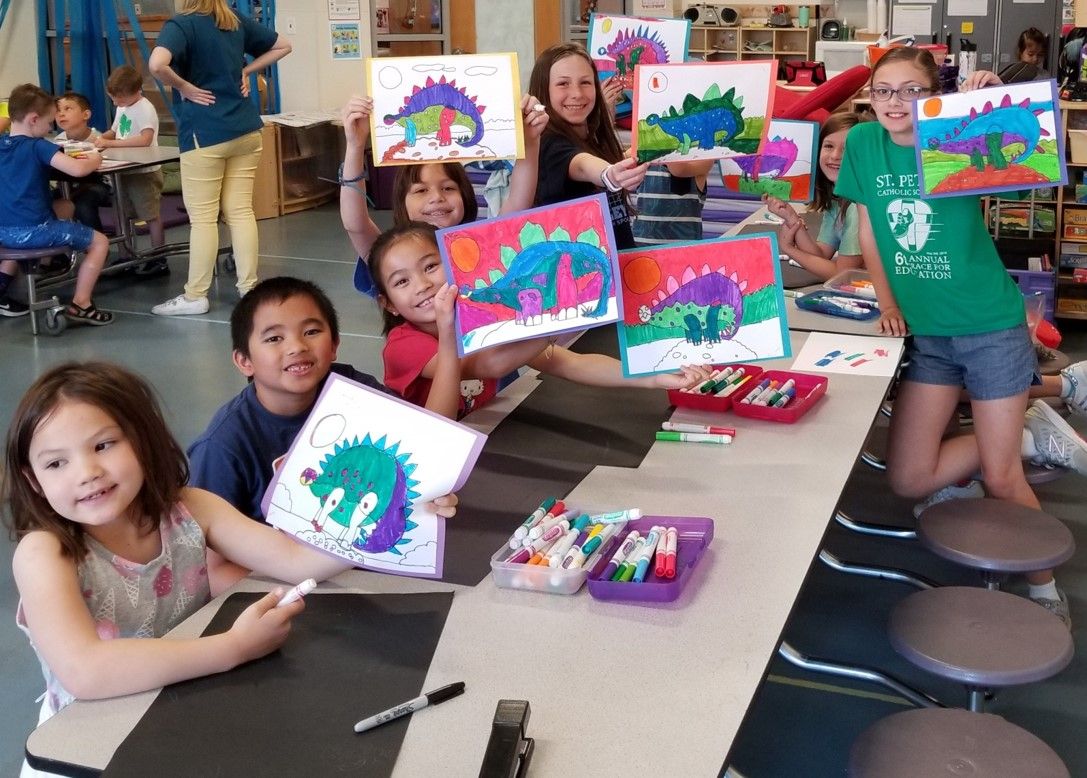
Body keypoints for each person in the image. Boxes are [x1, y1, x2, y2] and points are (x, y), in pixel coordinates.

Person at [2, 361, 457, 746]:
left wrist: (398, 514)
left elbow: (296, 560)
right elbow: (86, 672)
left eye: (103, 445)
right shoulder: (44, 552)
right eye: (56, 463)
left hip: (182, 704)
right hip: (87, 739)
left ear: (143, 440)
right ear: (33, 479)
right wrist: (233, 647)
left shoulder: (189, 508)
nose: (87, 472)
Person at [834, 47, 1087, 626]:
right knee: (908, 478)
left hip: (989, 326)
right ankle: (1029, 427)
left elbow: (1033, 164)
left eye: (911, 92)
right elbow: (870, 229)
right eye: (883, 90)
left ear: (933, 97)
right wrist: (890, 301)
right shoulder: (864, 146)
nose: (896, 103)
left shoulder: (949, 138)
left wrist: (991, 101)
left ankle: (1044, 586)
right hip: (928, 336)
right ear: (870, 96)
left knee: (1002, 477)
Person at [188, 275, 460, 522]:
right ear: (244, 361)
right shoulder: (222, 447)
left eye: (311, 332)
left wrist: (432, 495)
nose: (297, 346)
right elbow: (211, 562)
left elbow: (429, 438)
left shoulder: (354, 391)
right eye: (274, 338)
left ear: (334, 346)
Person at [370, 223, 712, 418]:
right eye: (402, 281)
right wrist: (561, 321)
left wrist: (651, 379)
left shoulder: (481, 317)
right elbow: (487, 364)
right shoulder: (403, 346)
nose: (423, 285)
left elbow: (567, 363)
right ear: (390, 304)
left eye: (431, 266)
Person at [147, 0, 292, 316]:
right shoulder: (233, 20)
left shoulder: (182, 24)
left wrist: (184, 87)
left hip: (206, 133)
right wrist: (246, 70)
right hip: (245, 129)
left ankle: (195, 295)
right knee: (240, 212)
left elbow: (157, 65)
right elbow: (283, 45)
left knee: (203, 219)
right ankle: (248, 287)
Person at [340, 93, 550, 297]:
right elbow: (356, 225)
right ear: (401, 203)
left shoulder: (484, 246)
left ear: (465, 196)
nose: (437, 197)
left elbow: (518, 203)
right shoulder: (390, 256)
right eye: (421, 190)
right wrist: (355, 145)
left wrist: (530, 142)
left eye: (448, 188)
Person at [0, 84, 112, 324]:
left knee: (65, 206)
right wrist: (95, 158)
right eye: (49, 121)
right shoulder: (38, 146)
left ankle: (5, 282)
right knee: (100, 242)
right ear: (33, 120)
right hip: (33, 231)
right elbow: (78, 169)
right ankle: (82, 303)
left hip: (4, 231)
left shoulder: (1, 144)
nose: (50, 127)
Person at [528, 43, 649, 250]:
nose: (577, 93)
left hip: (619, 268)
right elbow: (581, 164)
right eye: (563, 84)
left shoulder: (591, 138)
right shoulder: (548, 143)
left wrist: (628, 159)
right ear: (543, 90)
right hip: (585, 276)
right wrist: (610, 174)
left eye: (585, 82)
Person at [763, 111, 869, 280]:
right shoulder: (840, 199)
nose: (835, 156)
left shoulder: (859, 207)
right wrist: (791, 217)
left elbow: (842, 274)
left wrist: (790, 249)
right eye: (828, 146)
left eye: (847, 149)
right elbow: (821, 254)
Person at [94, 65, 167, 274]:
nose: (116, 103)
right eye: (113, 99)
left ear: (136, 92)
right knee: (121, 212)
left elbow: (145, 139)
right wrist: (97, 139)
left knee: (150, 213)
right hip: (124, 169)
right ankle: (125, 255)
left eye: (121, 99)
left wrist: (112, 144)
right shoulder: (123, 107)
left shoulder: (145, 108)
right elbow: (115, 131)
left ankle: (158, 256)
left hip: (144, 170)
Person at [53, 92, 112, 235]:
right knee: (45, 200)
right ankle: (59, 250)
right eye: (58, 110)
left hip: (100, 185)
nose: (61, 114)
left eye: (68, 109)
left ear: (85, 115)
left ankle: (97, 244)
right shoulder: (57, 141)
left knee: (83, 204)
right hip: (68, 185)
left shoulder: (98, 139)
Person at [632, 159, 716, 246]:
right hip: (642, 246)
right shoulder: (644, 158)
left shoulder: (703, 159)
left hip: (684, 249)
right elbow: (622, 163)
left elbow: (678, 171)